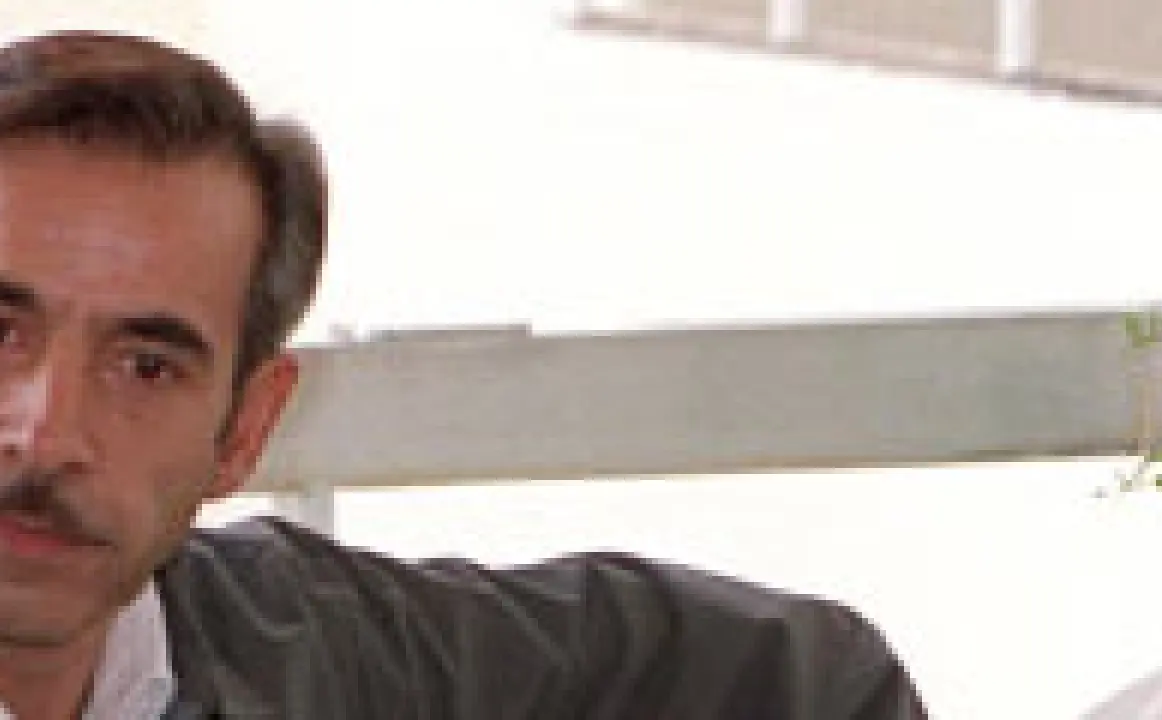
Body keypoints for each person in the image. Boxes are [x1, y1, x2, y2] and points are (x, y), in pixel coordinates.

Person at [0, 30, 927, 719]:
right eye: (1, 332)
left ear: (244, 431)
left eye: (146, 368)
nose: (45, 436)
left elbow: (807, 682)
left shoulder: (299, 654)